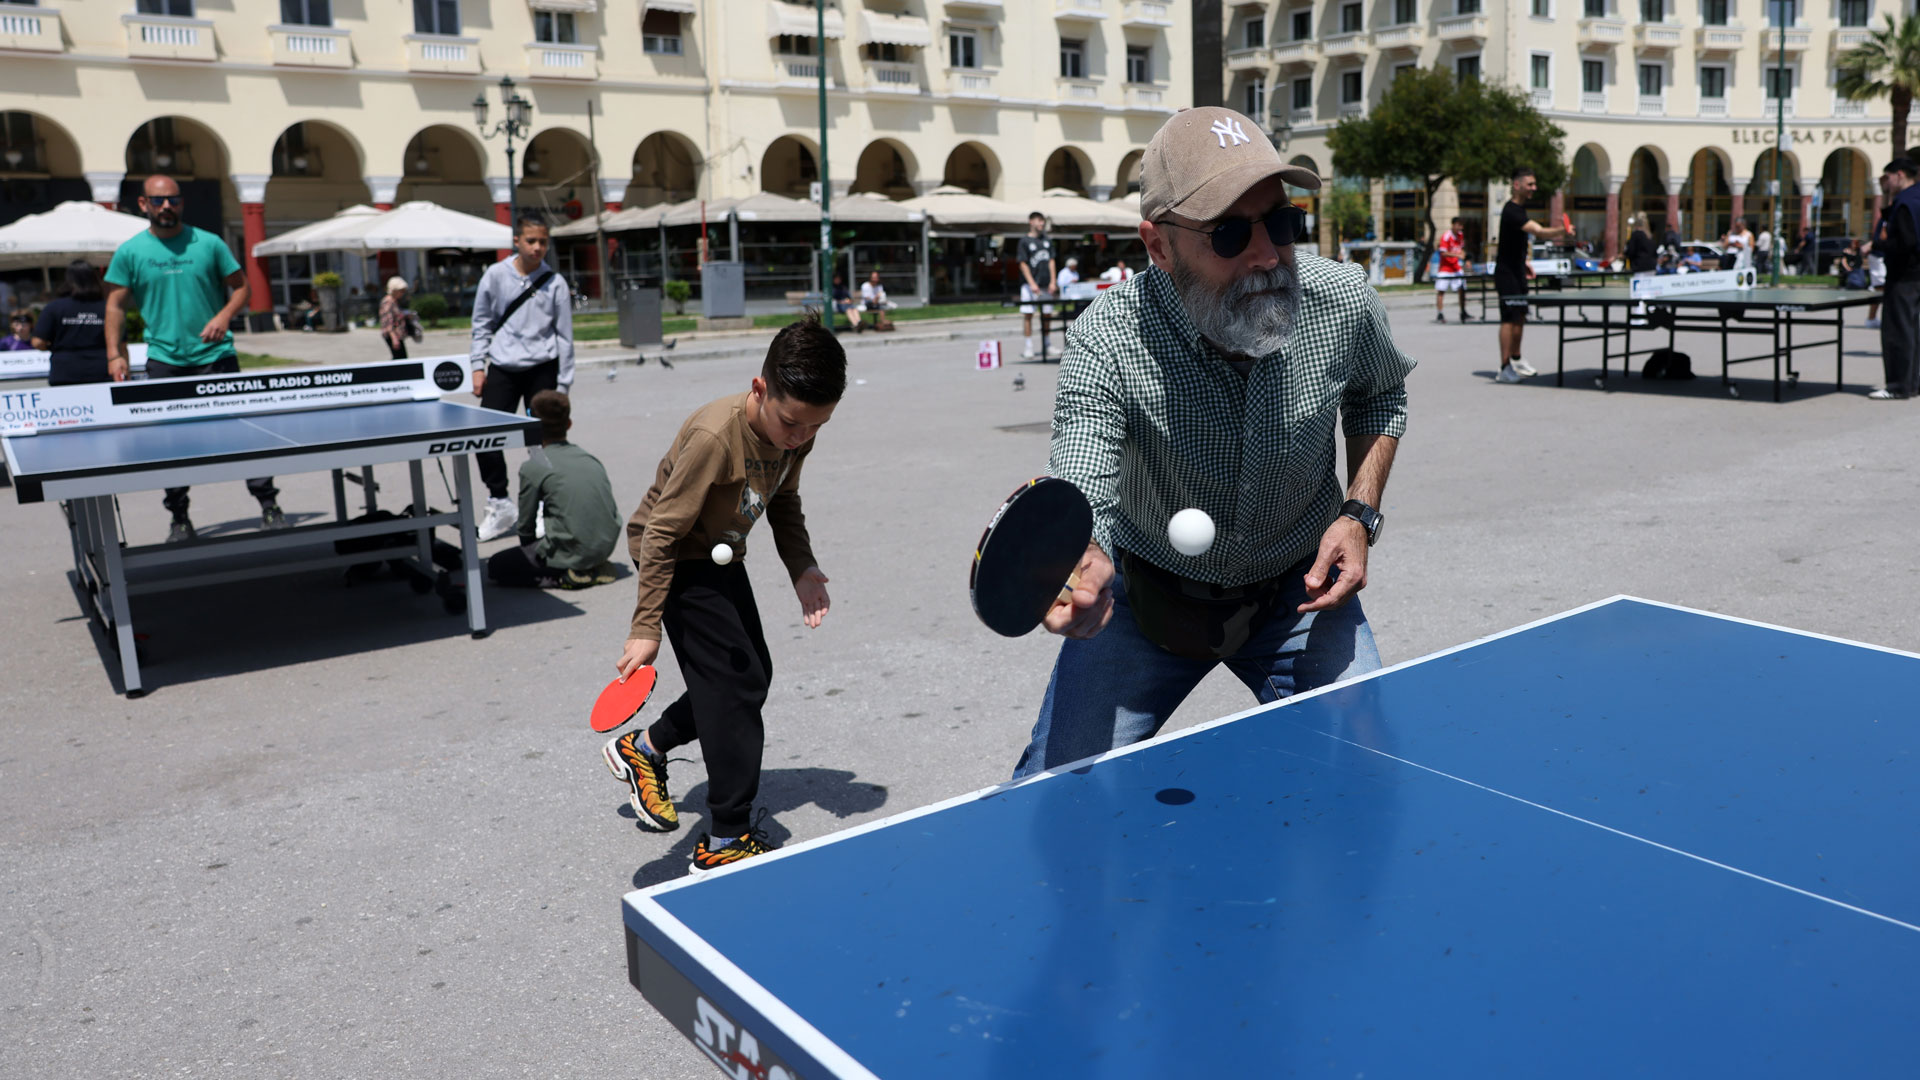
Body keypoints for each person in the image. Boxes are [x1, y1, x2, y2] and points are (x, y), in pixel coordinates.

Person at [1012, 105, 1414, 779]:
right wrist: (1079, 556)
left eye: (1282, 222)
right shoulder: (1106, 340)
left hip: (1299, 592)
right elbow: (1083, 467)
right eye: (1228, 234)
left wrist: (1358, 514)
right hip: (1145, 603)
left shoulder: (1342, 301)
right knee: (1055, 792)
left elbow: (1382, 395)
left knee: (1370, 776)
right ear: (1158, 245)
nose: (1266, 255)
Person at [604, 317, 844, 873]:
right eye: (792, 423)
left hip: (720, 549)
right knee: (732, 691)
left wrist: (802, 567)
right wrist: (646, 629)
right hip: (676, 553)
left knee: (751, 676)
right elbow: (661, 531)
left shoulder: (798, 428)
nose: (801, 437)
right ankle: (726, 835)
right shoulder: (716, 436)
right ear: (759, 389)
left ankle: (645, 748)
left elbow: (782, 500)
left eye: (816, 426)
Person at [106, 174, 284, 542]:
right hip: (165, 360)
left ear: (182, 203)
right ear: (143, 205)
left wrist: (223, 316)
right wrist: (114, 355)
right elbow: (115, 305)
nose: (166, 207)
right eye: (158, 201)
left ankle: (268, 504)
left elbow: (242, 288)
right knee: (170, 445)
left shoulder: (210, 243)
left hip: (216, 356)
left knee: (243, 433)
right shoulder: (130, 251)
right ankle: (180, 518)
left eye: (173, 200)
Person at [469, 215, 574, 542]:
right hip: (502, 366)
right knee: (484, 435)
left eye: (543, 241)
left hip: (542, 368)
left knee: (543, 440)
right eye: (531, 241)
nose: (537, 247)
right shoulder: (495, 275)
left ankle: (544, 505)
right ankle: (499, 502)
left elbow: (565, 336)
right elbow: (481, 322)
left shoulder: (555, 282)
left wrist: (564, 385)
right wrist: (477, 365)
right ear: (517, 241)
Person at [486, 390, 622, 588]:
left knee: (496, 565)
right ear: (569, 424)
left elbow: (525, 527)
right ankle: (592, 565)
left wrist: (530, 553)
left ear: (531, 425)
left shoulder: (534, 466)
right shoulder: (589, 458)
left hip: (570, 551)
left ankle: (560, 574)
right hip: (603, 547)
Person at [1493, 167, 1573, 383]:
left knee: (1520, 315)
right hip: (1506, 273)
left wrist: (1525, 262)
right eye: (1530, 184)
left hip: (1518, 270)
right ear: (1517, 185)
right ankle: (1504, 367)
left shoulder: (1520, 210)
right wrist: (1562, 230)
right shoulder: (1511, 210)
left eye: (1534, 184)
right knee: (1508, 318)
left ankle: (1516, 359)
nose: (1534, 188)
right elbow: (1537, 231)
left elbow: (1515, 242)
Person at [1870, 156, 1920, 400]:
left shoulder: (1905, 204)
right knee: (1912, 330)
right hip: (1915, 275)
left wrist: (1877, 245)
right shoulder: (1916, 198)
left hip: (1903, 276)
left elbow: (1905, 242)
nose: (1885, 182)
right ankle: (1912, 383)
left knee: (1897, 331)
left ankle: (1898, 386)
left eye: (1887, 177)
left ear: (1899, 175)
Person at [31, 261, 109, 385]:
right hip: (101, 370)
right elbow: (120, 342)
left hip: (65, 371)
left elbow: (38, 342)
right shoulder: (107, 308)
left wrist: (54, 347)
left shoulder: (54, 307)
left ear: (68, 280)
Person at [1017, 211, 1056, 359]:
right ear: (1031, 222)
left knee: (1047, 314)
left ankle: (1047, 343)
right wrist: (1031, 283)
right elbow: (1022, 263)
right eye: (1039, 221)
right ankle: (1028, 346)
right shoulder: (1024, 241)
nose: (1042, 224)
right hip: (1030, 285)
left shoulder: (1047, 240)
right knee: (1028, 314)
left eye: (1043, 221)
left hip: (1046, 284)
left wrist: (1053, 280)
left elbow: (1052, 260)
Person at [1432, 217, 1469, 323]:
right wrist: (1457, 255)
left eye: (1462, 225)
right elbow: (1443, 252)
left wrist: (1464, 256)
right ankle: (1440, 313)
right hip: (1445, 268)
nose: (1460, 227)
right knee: (1441, 291)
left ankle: (1463, 311)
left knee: (1462, 289)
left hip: (1456, 267)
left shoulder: (1460, 235)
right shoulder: (1446, 236)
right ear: (1453, 225)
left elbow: (1461, 249)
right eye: (1458, 225)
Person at [378, 276, 422, 360]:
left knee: (400, 358)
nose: (403, 293)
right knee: (400, 359)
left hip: (397, 335)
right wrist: (394, 338)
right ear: (394, 290)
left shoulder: (394, 300)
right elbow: (388, 322)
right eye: (401, 291)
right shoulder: (388, 301)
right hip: (393, 335)